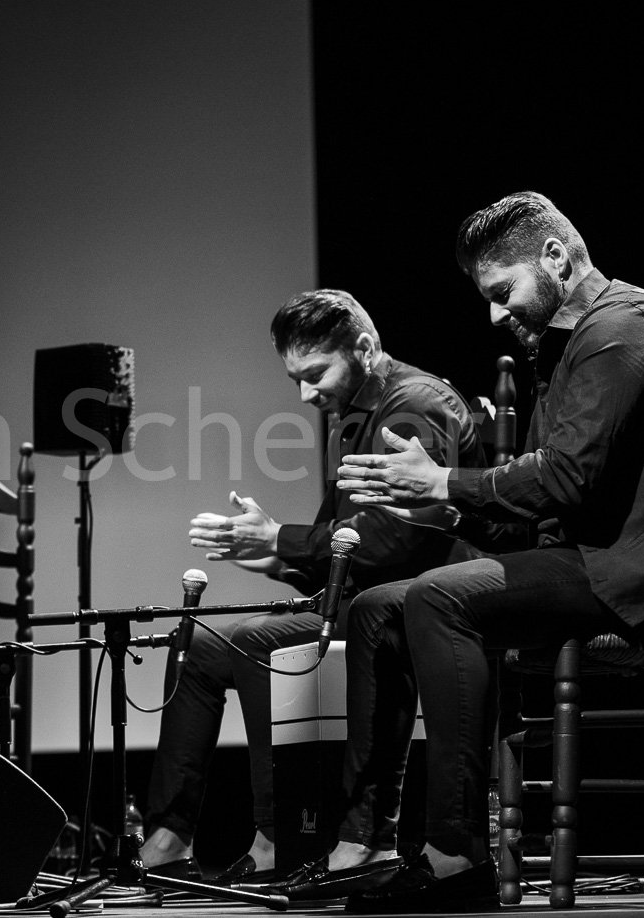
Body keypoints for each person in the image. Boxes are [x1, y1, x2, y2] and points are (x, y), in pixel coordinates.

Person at [322, 191, 644, 913]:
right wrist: (443, 504)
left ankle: (455, 857)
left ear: (555, 257)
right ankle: (366, 844)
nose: (495, 315)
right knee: (375, 609)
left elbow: (566, 478)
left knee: (438, 596)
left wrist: (445, 479)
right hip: (596, 554)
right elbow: (546, 514)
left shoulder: (621, 328)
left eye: (502, 292)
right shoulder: (571, 342)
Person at [138, 290, 492, 885]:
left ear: (364, 348)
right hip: (365, 596)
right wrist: (275, 558)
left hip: (421, 601)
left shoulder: (412, 405)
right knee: (198, 648)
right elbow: (343, 548)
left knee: (254, 641)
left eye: (315, 374)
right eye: (294, 379)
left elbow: (398, 541)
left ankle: (280, 836)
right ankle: (167, 839)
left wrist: (283, 537)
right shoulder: (350, 415)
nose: (304, 394)